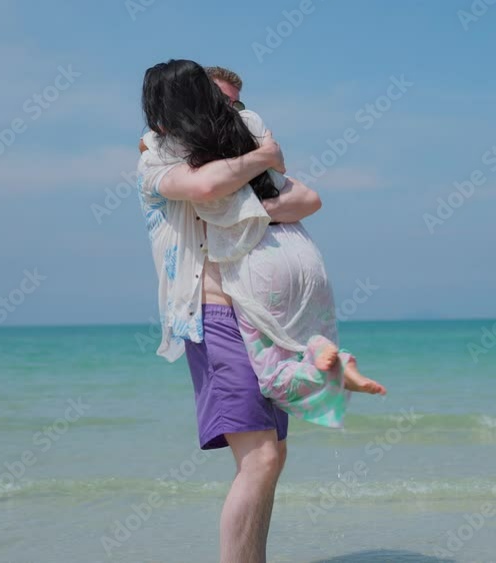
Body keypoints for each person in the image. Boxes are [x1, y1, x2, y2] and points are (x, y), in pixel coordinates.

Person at [135, 59, 382, 562]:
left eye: (234, 105)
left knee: (271, 456)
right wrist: (262, 157)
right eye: (216, 102)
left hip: (264, 316)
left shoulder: (241, 161)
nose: (228, 113)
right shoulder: (157, 162)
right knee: (261, 458)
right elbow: (205, 189)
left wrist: (245, 206)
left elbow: (307, 198)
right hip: (215, 315)